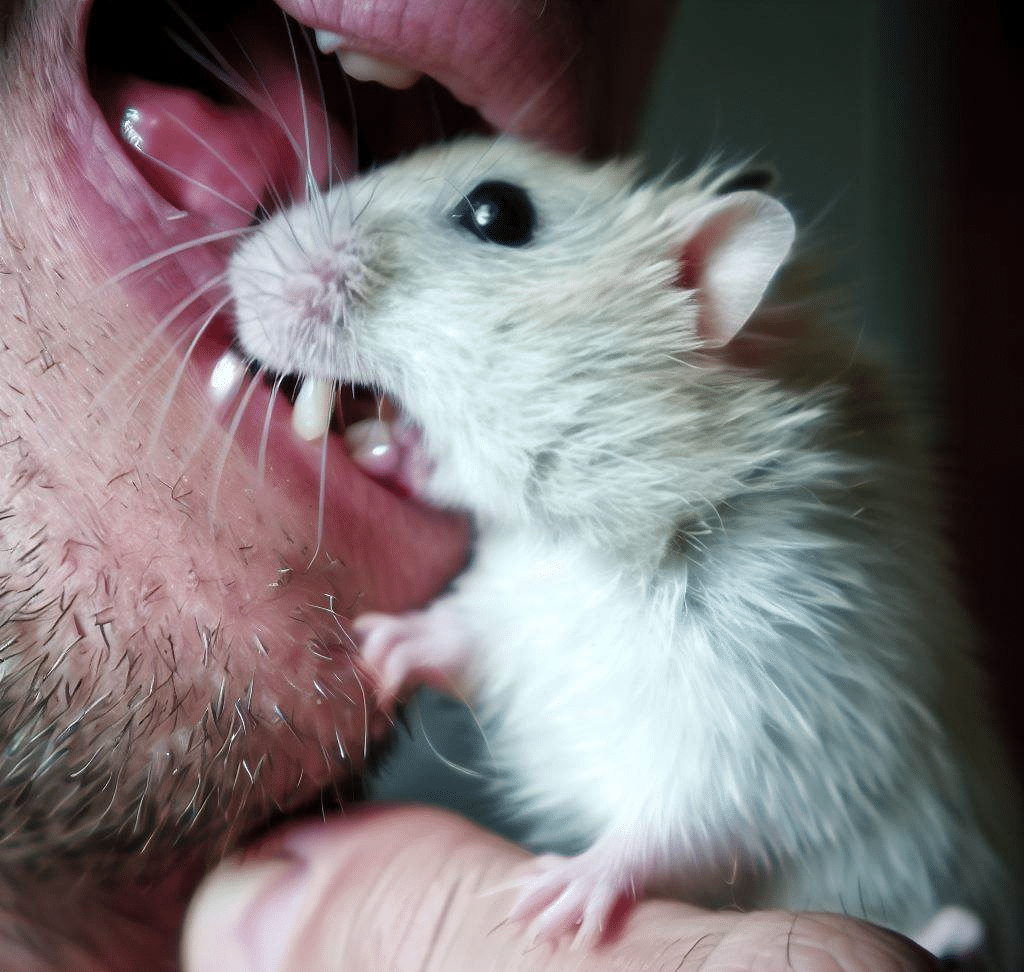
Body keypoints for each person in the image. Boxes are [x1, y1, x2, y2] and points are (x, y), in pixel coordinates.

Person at [0, 0, 947, 968]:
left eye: (492, 217)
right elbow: (550, 626)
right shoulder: (554, 536)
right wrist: (457, 638)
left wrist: (629, 856)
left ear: (694, 290)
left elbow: (761, 769)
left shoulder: (770, 563)